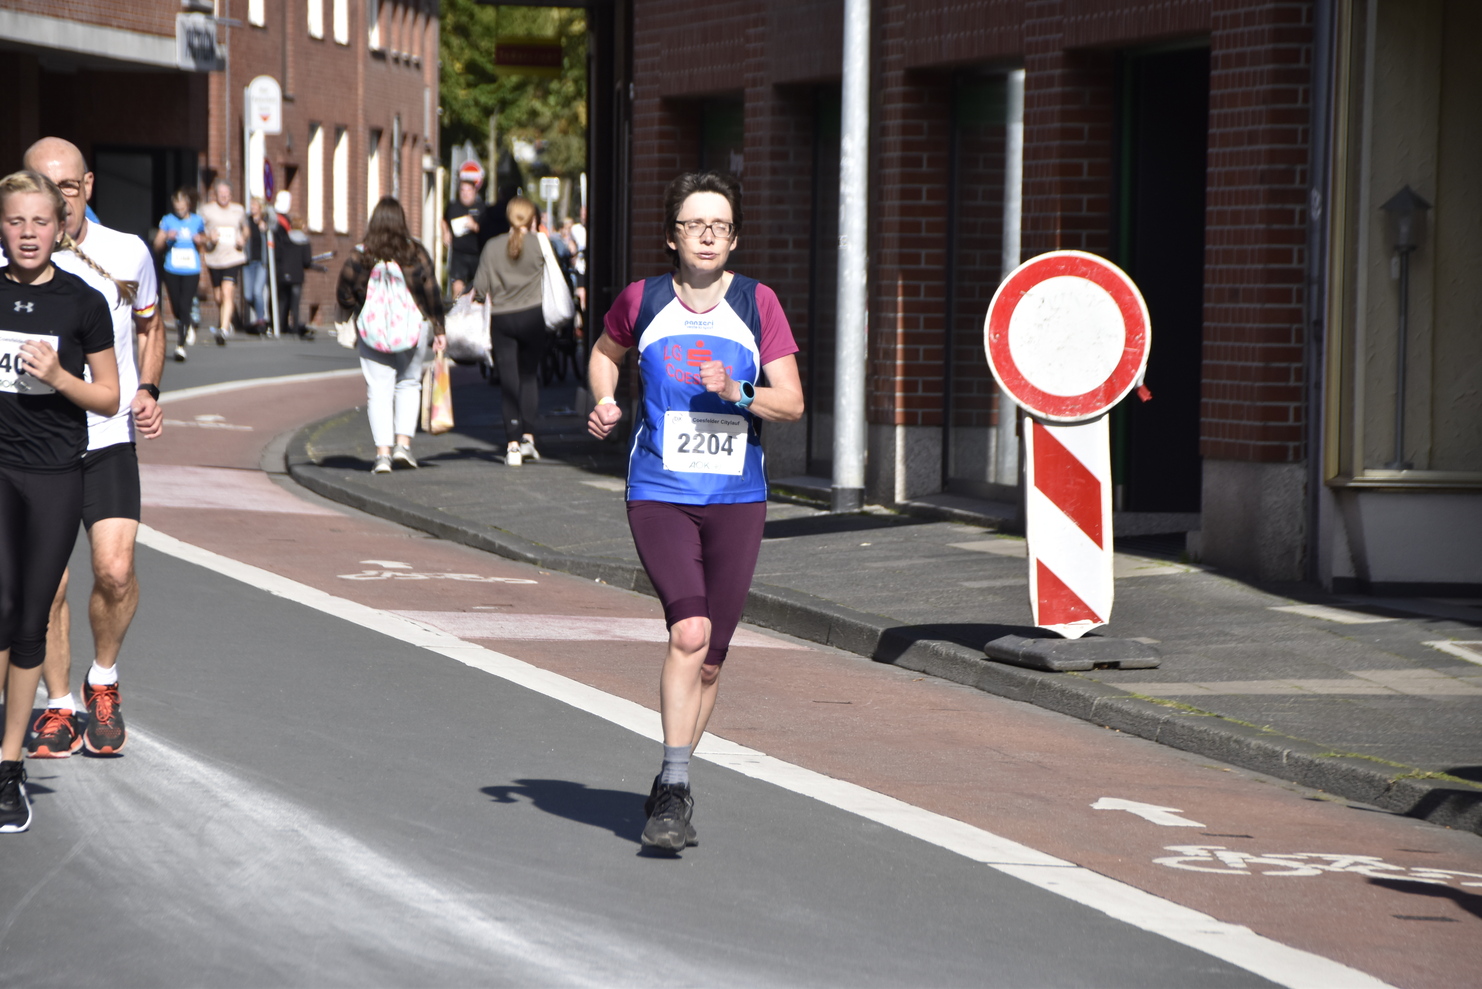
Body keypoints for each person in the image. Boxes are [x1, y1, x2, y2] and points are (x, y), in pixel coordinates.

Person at [587, 171, 803, 851]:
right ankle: (675, 787)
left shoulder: (757, 302)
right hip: (660, 492)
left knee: (711, 658)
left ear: (734, 237)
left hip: (738, 498)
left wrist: (740, 390)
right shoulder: (643, 299)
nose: (707, 234)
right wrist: (606, 399)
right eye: (694, 223)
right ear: (672, 235)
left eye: (719, 224)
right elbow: (603, 353)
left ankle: (672, 774)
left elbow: (792, 403)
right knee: (689, 632)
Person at [21, 138, 165, 760]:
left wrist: (150, 387)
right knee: (47, 585)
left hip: (106, 436)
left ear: (89, 187)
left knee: (114, 569)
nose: (57, 200)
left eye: (68, 188)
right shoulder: (13, 254)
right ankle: (58, 705)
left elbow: (151, 325)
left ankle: (101, 680)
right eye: (42, 188)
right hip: (35, 442)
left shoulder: (126, 252)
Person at [0, 170, 121, 833]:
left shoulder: (83, 302)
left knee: (27, 620)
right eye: (15, 221)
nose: (27, 234)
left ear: (61, 225)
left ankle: (8, 767)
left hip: (53, 475)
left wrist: (58, 377)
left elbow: (109, 396)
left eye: (39, 222)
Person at [336, 196, 445, 474]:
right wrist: (439, 328)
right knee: (409, 383)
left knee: (378, 390)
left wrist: (357, 310)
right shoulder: (415, 252)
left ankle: (382, 455)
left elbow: (343, 291)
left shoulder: (361, 255)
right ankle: (403, 446)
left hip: (372, 331)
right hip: (413, 328)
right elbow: (432, 291)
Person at [473, 196, 546, 467]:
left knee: (508, 383)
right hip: (533, 317)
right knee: (529, 377)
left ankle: (512, 445)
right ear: (531, 217)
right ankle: (529, 438)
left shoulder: (492, 246)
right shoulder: (539, 243)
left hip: (502, 320)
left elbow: (480, 288)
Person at [152, 187, 206, 362]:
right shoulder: (168, 220)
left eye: (183, 208)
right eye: (177, 208)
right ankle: (185, 323)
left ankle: (180, 346)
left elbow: (205, 241)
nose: (180, 212)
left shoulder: (197, 221)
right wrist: (167, 236)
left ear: (188, 205)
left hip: (191, 269)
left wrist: (201, 240)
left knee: (185, 304)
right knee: (176, 305)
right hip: (172, 268)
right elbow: (157, 245)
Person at [200, 179, 250, 342]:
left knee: (228, 292)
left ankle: (223, 328)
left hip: (233, 256)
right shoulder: (206, 210)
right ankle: (226, 319)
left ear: (231, 195)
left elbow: (246, 228)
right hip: (214, 257)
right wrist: (209, 237)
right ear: (215, 194)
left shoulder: (238, 210)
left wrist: (243, 238)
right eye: (221, 194)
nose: (224, 197)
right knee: (219, 296)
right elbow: (199, 233)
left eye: (227, 194)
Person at [441, 161, 487, 299]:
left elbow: (488, 231)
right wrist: (445, 232)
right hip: (458, 254)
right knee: (458, 288)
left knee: (479, 290)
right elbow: (443, 220)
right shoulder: (453, 206)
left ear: (475, 191)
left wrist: (475, 227)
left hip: (477, 254)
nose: (466, 194)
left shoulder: (482, 208)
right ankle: (457, 314)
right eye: (463, 190)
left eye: (469, 191)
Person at [272, 191, 312, 337]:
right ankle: (294, 328)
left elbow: (279, 254)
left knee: (282, 301)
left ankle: (281, 326)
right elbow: (307, 261)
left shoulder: (284, 239)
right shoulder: (304, 241)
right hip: (296, 275)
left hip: (283, 273)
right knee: (295, 303)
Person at [241, 196, 269, 332]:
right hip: (248, 262)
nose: (252, 208)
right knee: (248, 295)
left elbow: (274, 224)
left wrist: (266, 227)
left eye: (254, 205)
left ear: (260, 207)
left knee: (258, 291)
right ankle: (260, 312)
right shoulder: (246, 220)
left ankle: (260, 319)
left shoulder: (266, 221)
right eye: (251, 205)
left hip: (261, 263)